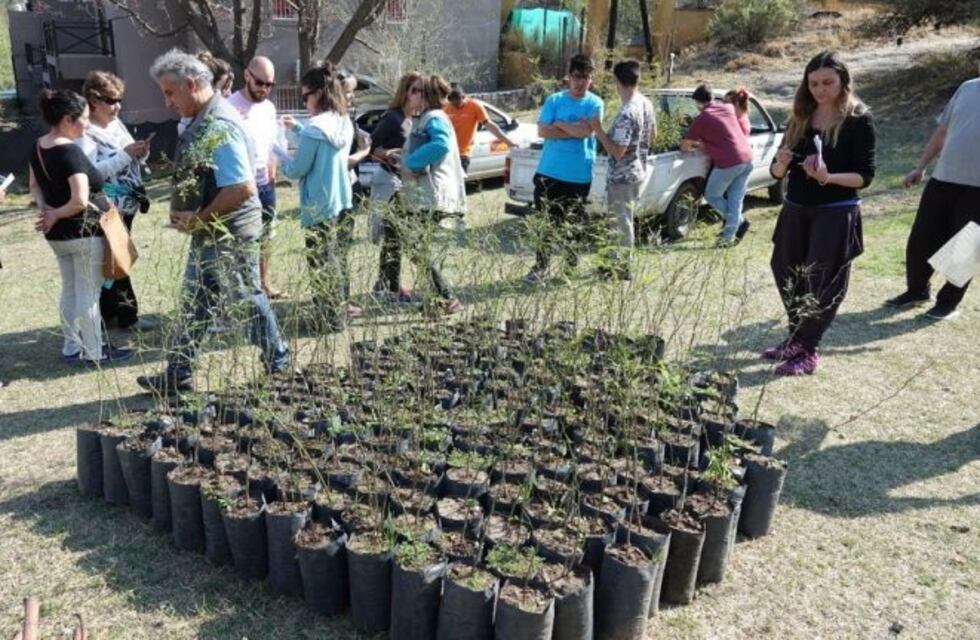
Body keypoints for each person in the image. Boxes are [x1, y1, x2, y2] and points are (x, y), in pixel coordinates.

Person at [137, 49, 289, 395]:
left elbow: (242, 187)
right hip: (211, 229)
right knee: (196, 302)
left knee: (246, 298)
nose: (166, 102)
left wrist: (198, 218)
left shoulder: (219, 124)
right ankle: (178, 372)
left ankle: (279, 364)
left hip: (230, 231)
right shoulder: (203, 119)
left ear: (191, 85)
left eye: (169, 92)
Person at [766, 51, 876, 376]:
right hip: (796, 208)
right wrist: (781, 164)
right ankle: (796, 337)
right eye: (813, 83)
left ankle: (809, 350)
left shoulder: (858, 119)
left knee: (821, 280)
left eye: (827, 82)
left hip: (835, 211)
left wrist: (828, 178)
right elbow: (776, 171)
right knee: (786, 270)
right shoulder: (802, 114)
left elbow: (864, 176)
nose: (820, 89)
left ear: (843, 80)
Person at [28, 89, 133, 365]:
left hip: (58, 237)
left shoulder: (38, 146)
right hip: (83, 232)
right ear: (67, 119)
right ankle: (95, 352)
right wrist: (56, 214)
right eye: (85, 119)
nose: (88, 124)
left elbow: (34, 187)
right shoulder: (70, 151)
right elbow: (79, 200)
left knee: (70, 289)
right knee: (89, 294)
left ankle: (71, 347)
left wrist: (47, 211)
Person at [885, 67, 980, 320]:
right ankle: (916, 291)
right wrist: (921, 167)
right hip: (943, 180)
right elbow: (942, 131)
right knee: (921, 241)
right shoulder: (968, 87)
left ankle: (947, 303)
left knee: (966, 247)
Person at [279, 61, 361, 332]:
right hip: (339, 199)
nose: (304, 103)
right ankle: (337, 315)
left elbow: (296, 169)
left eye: (305, 96)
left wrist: (277, 151)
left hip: (317, 206)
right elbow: (325, 147)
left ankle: (328, 320)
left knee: (319, 265)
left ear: (319, 93)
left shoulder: (315, 127)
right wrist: (298, 130)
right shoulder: (342, 120)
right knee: (334, 261)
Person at [79, 71, 154, 332]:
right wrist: (124, 154)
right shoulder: (85, 133)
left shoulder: (116, 124)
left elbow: (130, 158)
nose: (117, 106)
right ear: (94, 100)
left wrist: (141, 154)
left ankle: (111, 316)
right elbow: (93, 174)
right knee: (116, 262)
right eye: (111, 100)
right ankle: (125, 317)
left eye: (119, 99)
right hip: (107, 209)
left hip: (128, 206)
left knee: (116, 261)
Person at [525, 53, 604, 284]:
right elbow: (542, 131)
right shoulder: (555, 100)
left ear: (592, 79)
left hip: (578, 176)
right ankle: (540, 266)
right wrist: (571, 128)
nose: (581, 82)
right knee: (544, 225)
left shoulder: (594, 103)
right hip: (548, 173)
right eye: (577, 76)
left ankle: (570, 268)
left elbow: (586, 132)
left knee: (572, 225)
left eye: (586, 77)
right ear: (569, 77)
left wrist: (558, 124)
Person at [400, 74, 466, 315]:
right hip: (425, 194)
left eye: (416, 90)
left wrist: (410, 162)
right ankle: (435, 300)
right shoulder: (426, 118)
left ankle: (447, 298)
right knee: (420, 248)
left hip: (431, 195)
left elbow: (440, 145)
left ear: (426, 96)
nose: (410, 94)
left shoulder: (433, 117)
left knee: (416, 247)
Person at [590, 58, 656, 280]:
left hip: (622, 176)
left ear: (617, 81)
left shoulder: (627, 113)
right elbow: (653, 135)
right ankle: (612, 264)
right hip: (638, 171)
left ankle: (621, 268)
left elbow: (617, 151)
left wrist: (598, 130)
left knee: (621, 223)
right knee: (622, 220)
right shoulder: (645, 103)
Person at [228, 56, 287, 300]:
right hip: (241, 186)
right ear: (247, 75)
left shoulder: (269, 108)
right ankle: (242, 289)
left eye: (269, 84)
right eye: (260, 82)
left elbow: (274, 143)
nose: (264, 89)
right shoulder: (229, 107)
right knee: (242, 238)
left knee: (266, 235)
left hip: (266, 184)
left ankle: (263, 284)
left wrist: (273, 170)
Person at [369, 72, 423, 301]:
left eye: (423, 91)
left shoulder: (415, 119)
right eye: (416, 90)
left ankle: (382, 285)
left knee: (395, 237)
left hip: (404, 184)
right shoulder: (393, 117)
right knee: (395, 237)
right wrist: (389, 153)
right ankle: (392, 290)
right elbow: (371, 147)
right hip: (389, 183)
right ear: (406, 92)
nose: (421, 95)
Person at [681, 83, 754, 246]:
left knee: (712, 195)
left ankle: (739, 223)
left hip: (729, 163)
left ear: (698, 103)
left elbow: (685, 146)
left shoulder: (702, 118)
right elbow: (725, 135)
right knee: (735, 200)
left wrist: (692, 145)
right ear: (713, 97)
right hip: (747, 158)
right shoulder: (727, 108)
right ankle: (728, 237)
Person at [445, 83, 516, 174]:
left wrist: (509, 143)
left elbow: (490, 125)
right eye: (453, 104)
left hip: (463, 154)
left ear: (463, 97)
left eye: (458, 104)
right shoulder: (446, 108)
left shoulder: (474, 106)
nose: (456, 107)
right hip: (447, 153)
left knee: (459, 185)